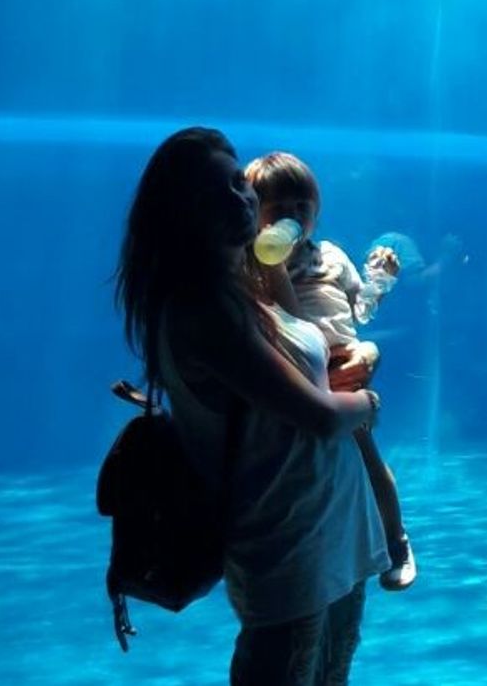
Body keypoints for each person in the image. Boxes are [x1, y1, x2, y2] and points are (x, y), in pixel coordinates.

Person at [116, 127, 389, 685]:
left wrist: (356, 356)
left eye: (239, 183)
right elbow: (317, 414)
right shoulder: (203, 310)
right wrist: (364, 402)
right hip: (290, 546)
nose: (239, 199)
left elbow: (311, 357)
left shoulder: (249, 283)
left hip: (331, 531)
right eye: (214, 193)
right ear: (181, 216)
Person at [244, 151, 418, 591]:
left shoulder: (332, 257)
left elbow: (360, 310)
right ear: (254, 214)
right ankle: (325, 555)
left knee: (367, 460)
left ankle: (396, 540)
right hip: (297, 374)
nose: (293, 215)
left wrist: (380, 278)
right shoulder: (254, 264)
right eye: (279, 207)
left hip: (343, 366)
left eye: (302, 206)